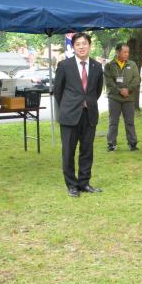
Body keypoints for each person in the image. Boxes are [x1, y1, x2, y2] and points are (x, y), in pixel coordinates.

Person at [54, 32, 104, 197]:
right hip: (69, 115)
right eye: (78, 44)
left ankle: (84, 183)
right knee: (68, 151)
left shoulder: (97, 66)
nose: (81, 47)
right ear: (73, 47)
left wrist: (86, 103)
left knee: (87, 150)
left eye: (84, 43)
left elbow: (96, 91)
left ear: (90, 45)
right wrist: (67, 107)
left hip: (89, 114)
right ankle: (72, 185)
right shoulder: (64, 65)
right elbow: (58, 91)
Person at [104, 41, 141, 151]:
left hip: (129, 98)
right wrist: (120, 90)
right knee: (113, 122)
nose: (126, 54)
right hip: (114, 98)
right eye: (124, 52)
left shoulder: (132, 64)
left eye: (127, 52)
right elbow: (109, 82)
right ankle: (111, 144)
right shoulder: (109, 65)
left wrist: (127, 89)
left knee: (130, 122)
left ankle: (132, 144)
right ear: (117, 52)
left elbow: (136, 79)